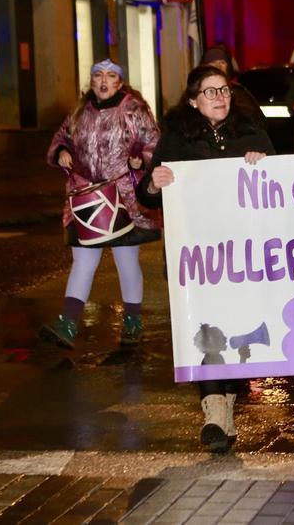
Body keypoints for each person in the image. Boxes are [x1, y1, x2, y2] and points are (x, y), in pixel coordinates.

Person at [137, 65, 273, 453]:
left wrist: (261, 162)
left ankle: (226, 405)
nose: (220, 98)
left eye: (224, 90)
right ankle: (214, 410)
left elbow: (280, 181)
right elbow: (149, 193)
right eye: (210, 92)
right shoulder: (178, 138)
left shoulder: (252, 130)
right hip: (197, 254)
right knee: (207, 328)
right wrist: (153, 182)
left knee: (235, 327)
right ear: (194, 101)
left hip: (244, 253)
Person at [41, 60, 160, 350]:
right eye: (98, 76)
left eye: (110, 76)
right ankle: (68, 325)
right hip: (86, 197)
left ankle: (133, 321)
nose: (104, 82)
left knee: (125, 260)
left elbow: (154, 144)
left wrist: (140, 159)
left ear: (120, 82)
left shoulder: (134, 110)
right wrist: (62, 153)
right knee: (83, 260)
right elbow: (61, 138)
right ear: (91, 81)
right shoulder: (80, 111)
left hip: (123, 199)